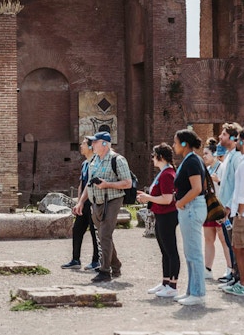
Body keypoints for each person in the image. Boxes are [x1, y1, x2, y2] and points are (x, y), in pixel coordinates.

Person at [73, 131, 132, 282]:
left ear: (105, 144)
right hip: (96, 202)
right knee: (103, 235)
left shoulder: (118, 160)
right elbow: (89, 183)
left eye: (95, 142)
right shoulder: (94, 160)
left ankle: (105, 271)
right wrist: (80, 202)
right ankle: (116, 265)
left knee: (104, 235)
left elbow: (127, 183)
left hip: (112, 200)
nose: (92, 144)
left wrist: (107, 184)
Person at [137, 143, 179, 298]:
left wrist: (148, 197)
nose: (152, 159)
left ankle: (173, 285)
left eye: (153, 156)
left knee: (170, 250)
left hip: (168, 215)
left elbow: (168, 199)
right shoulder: (163, 173)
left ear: (160, 157)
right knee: (164, 251)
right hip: (161, 214)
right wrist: (147, 196)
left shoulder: (167, 174)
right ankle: (165, 282)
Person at [172, 129, 207, 305]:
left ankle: (198, 293)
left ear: (184, 144)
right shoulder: (191, 160)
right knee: (189, 252)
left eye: (175, 142)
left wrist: (180, 202)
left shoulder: (192, 161)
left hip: (192, 208)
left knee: (194, 253)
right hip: (190, 208)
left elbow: (197, 188)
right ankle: (191, 291)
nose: (173, 145)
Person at [62, 138, 101, 271]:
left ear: (91, 147)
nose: (80, 146)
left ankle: (97, 261)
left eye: (83, 143)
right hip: (84, 203)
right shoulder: (85, 164)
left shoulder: (97, 162)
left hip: (94, 201)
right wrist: (79, 202)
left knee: (94, 232)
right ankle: (75, 259)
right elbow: (81, 185)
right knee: (77, 229)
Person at [201, 139, 232, 281]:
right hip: (209, 208)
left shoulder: (222, 167)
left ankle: (230, 268)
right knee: (208, 239)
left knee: (224, 239)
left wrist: (218, 180)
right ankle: (207, 269)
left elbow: (227, 186)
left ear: (214, 154)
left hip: (220, 207)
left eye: (206, 153)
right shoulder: (206, 170)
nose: (204, 156)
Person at [217, 122, 243, 286]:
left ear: (233, 138)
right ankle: (234, 275)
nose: (220, 137)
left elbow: (237, 187)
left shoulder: (238, 158)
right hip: (227, 208)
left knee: (237, 245)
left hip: (232, 210)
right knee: (231, 243)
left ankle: (238, 278)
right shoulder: (229, 156)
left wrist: (228, 207)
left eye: (224, 135)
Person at [223, 129, 244, 296]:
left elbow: (241, 190)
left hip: (239, 212)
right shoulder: (237, 158)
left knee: (238, 247)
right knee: (235, 246)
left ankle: (241, 282)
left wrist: (238, 212)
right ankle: (238, 279)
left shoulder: (240, 160)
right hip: (235, 209)